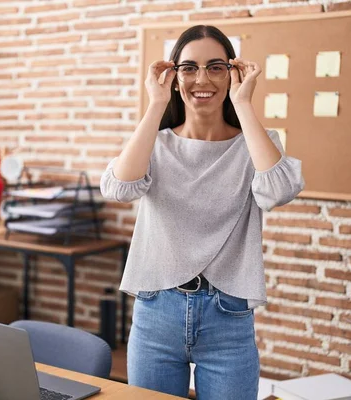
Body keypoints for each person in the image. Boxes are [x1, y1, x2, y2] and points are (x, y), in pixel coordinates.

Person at [99, 25, 305, 399]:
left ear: (232, 74)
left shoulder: (256, 144)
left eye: (215, 67)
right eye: (189, 68)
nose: (202, 79)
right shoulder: (156, 143)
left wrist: (243, 104)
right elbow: (118, 188)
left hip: (228, 315)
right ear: (174, 77)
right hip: (156, 310)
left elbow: (278, 190)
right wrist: (155, 103)